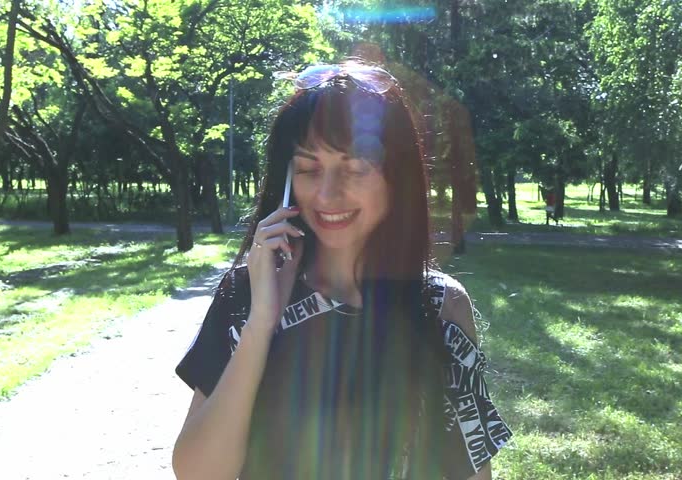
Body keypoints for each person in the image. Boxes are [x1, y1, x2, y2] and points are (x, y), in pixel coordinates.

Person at [172, 60, 512, 480]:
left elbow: (471, 470)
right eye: (309, 169)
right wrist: (263, 320)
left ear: (396, 179)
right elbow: (197, 473)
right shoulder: (246, 294)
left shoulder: (441, 306)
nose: (328, 194)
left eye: (355, 168)